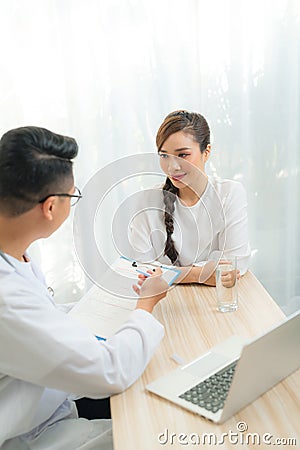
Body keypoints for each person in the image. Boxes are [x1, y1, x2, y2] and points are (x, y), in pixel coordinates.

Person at [0, 126, 168, 449]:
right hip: (32, 433)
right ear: (50, 207)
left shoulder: (14, 250)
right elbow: (110, 371)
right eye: (73, 196)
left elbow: (42, 316)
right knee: (161, 432)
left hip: (50, 399)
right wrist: (145, 308)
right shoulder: (7, 298)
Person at [129, 110, 251, 285]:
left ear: (206, 152)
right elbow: (139, 269)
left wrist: (167, 273)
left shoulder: (229, 194)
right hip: (163, 299)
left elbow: (234, 265)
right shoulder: (147, 201)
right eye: (164, 156)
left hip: (215, 299)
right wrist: (198, 274)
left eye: (183, 155)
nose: (172, 167)